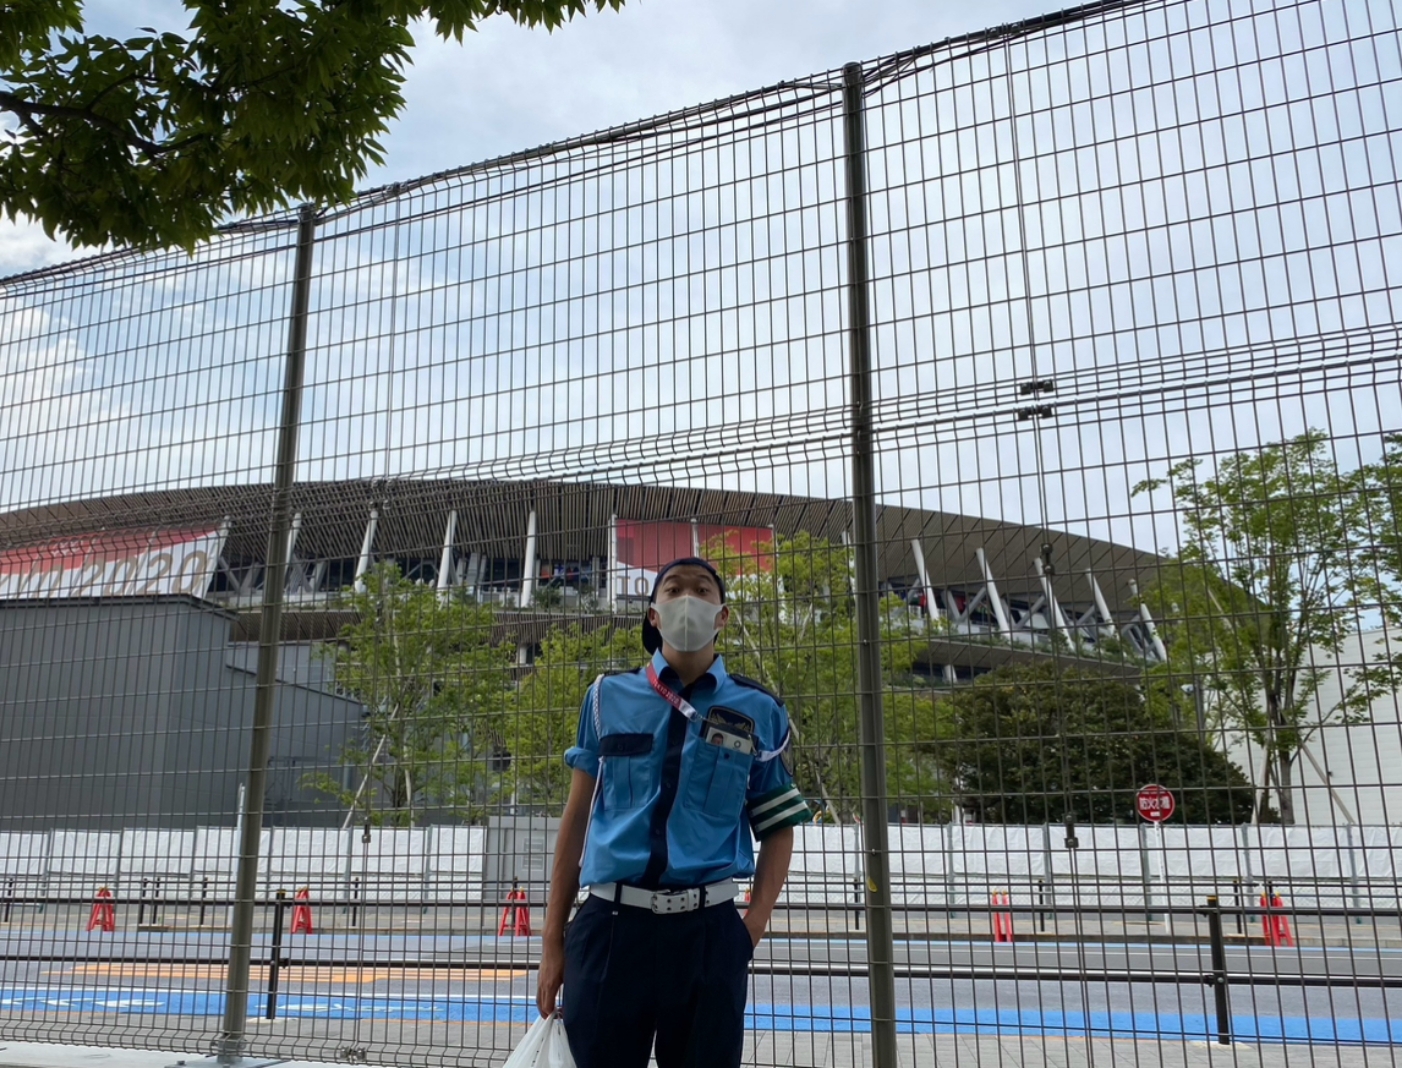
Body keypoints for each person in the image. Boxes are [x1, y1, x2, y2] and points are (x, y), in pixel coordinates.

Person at [536, 556, 809, 1068]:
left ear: (723, 615)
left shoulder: (760, 710)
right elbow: (576, 820)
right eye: (674, 589)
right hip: (610, 929)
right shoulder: (605, 698)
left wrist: (750, 928)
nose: (688, 598)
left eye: (703, 590)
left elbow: (778, 826)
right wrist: (553, 941)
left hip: (709, 933)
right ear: (653, 615)